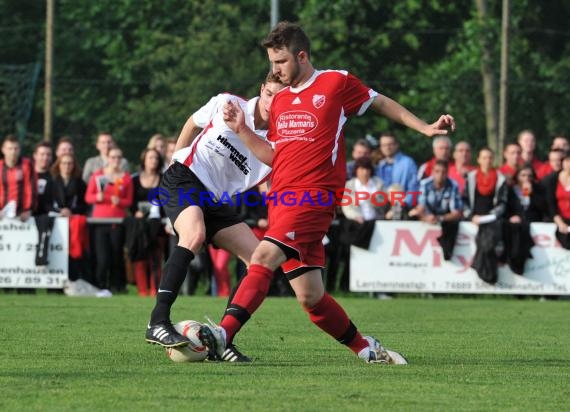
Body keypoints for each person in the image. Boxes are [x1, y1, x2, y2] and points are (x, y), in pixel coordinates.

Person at [221, 21, 454, 364]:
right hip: (283, 201)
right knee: (311, 296)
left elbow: (380, 102)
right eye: (272, 63)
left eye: (281, 62)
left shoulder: (336, 83)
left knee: (262, 258)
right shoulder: (282, 100)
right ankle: (365, 349)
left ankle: (221, 334)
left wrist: (424, 127)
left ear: (301, 56)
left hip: (314, 197)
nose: (276, 70)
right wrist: (241, 129)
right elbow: (275, 156)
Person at [144, 72, 285, 359]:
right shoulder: (228, 102)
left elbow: (274, 189)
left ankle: (223, 338)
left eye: (281, 97)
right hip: (186, 177)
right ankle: (157, 321)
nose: (273, 102)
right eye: (270, 94)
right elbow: (192, 123)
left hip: (215, 199)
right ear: (262, 89)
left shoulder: (277, 143)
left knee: (260, 260)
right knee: (193, 235)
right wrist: (175, 160)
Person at [85, 147, 133, 292]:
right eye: (113, 157)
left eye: (119, 157)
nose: (116, 160)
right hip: (99, 222)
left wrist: (120, 201)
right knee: (102, 257)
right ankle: (99, 285)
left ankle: (116, 285)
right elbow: (88, 197)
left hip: (117, 222)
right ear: (108, 159)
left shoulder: (126, 178)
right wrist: (97, 198)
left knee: (116, 255)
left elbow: (129, 201)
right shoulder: (97, 176)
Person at [128, 148, 164, 297]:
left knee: (156, 257)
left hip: (158, 225)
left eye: (156, 158)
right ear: (144, 160)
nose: (153, 161)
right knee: (140, 256)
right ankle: (142, 290)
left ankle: (156, 289)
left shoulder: (164, 178)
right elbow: (130, 201)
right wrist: (135, 211)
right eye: (150, 158)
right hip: (139, 225)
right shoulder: (134, 179)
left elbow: (168, 200)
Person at [51, 154, 89, 281]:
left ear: (74, 165)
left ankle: (74, 279)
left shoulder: (80, 183)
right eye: (64, 163)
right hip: (56, 221)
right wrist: (59, 211)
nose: (67, 166)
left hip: (74, 222)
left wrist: (71, 211)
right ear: (59, 165)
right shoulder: (52, 182)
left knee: (74, 251)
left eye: (69, 163)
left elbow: (85, 204)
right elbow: (46, 203)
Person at [411, 160, 463, 224]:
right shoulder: (424, 184)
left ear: (447, 173)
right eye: (437, 171)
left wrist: (439, 218)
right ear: (432, 172)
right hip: (427, 217)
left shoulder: (453, 185)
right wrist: (426, 218)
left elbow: (456, 213)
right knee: (413, 213)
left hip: (446, 221)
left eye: (443, 172)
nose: (440, 175)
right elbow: (421, 207)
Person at [375, 131, 419, 207]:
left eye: (390, 144)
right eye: (384, 145)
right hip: (382, 208)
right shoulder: (379, 166)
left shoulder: (408, 163)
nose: (387, 148)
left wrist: (403, 205)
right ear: (380, 147)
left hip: (403, 207)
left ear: (396, 145)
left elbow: (413, 187)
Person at [0, 135, 36, 221]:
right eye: (10, 148)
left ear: (19, 150)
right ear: (3, 150)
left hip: (22, 215)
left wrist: (28, 210)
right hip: (2, 214)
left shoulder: (27, 165)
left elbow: (31, 189)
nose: (13, 152)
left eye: (16, 148)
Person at [32, 141, 54, 216]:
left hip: (49, 220)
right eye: (42, 154)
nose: (45, 158)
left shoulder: (55, 177)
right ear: (35, 155)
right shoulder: (27, 175)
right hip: (26, 219)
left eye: (48, 155)